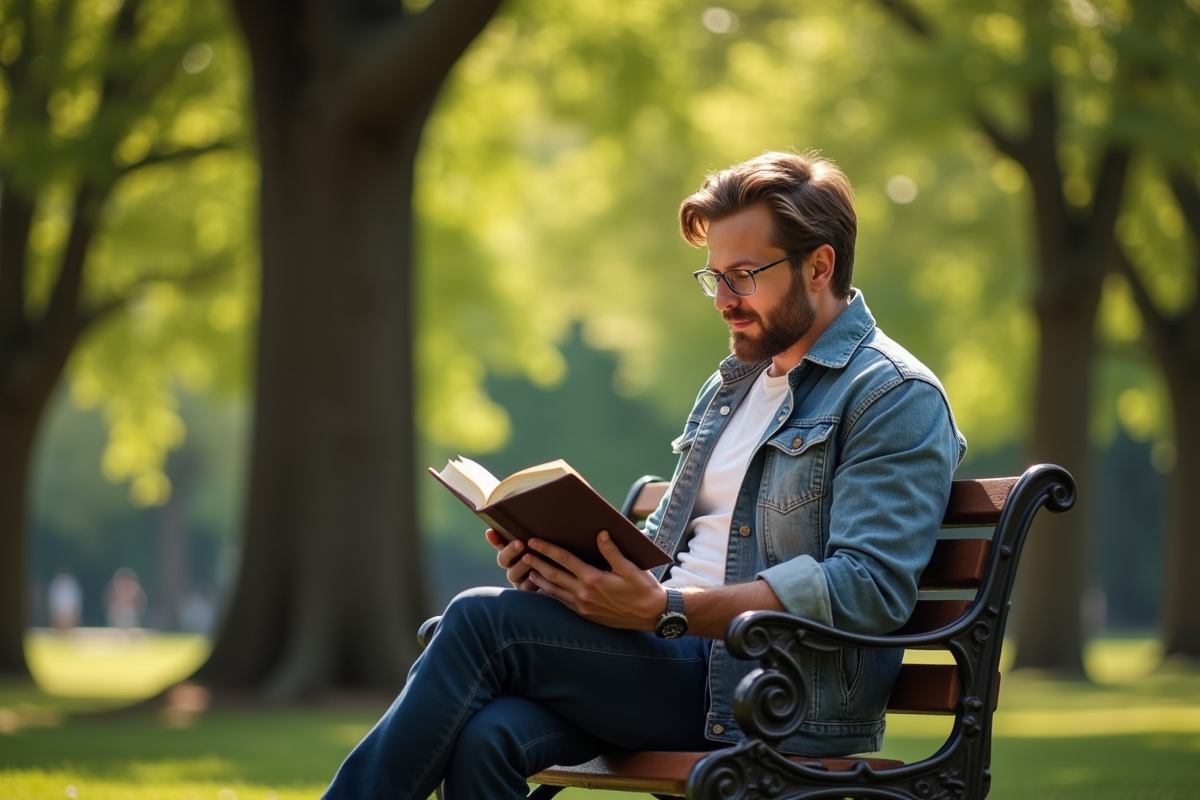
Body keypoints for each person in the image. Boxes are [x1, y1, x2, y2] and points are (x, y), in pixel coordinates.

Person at [324, 151, 966, 799]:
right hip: (665, 657)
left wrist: (669, 610)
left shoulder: (891, 395)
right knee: (489, 732)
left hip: (768, 689)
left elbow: (869, 588)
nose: (722, 300)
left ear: (819, 266)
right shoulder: (730, 388)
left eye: (743, 276)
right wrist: (566, 578)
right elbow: (663, 549)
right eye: (713, 277)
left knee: (478, 622)